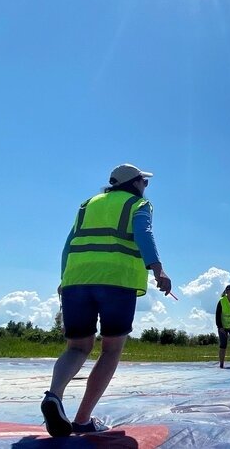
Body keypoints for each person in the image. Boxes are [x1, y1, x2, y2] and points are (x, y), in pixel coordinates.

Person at [41, 163, 173, 437]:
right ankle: (82, 419)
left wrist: (64, 279)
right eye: (144, 182)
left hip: (76, 281)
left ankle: (53, 396)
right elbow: (144, 233)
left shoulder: (87, 205)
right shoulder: (138, 205)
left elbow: (69, 244)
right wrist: (158, 268)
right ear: (134, 183)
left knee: (77, 347)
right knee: (111, 349)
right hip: (117, 281)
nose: (145, 187)